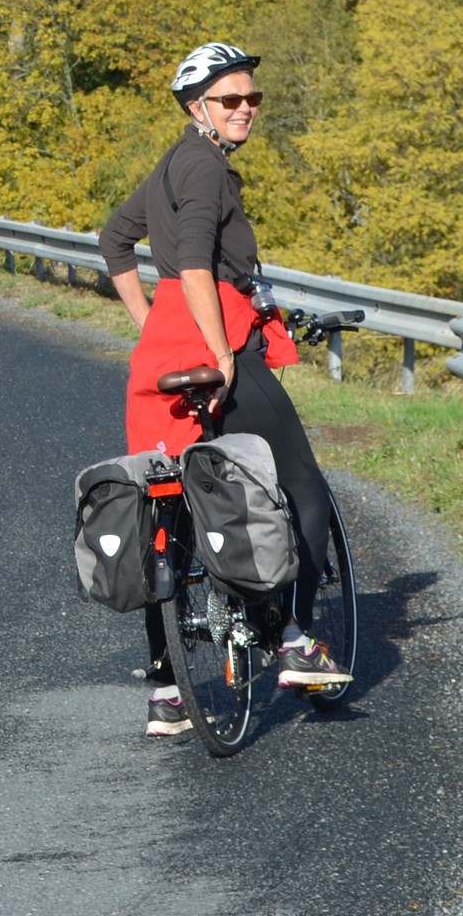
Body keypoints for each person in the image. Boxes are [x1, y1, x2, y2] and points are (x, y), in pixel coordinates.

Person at [99, 41, 351, 737]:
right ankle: (294, 640)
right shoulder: (205, 166)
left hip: (159, 358)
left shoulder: (169, 166)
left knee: (171, 505)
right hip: (222, 341)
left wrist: (153, 326)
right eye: (230, 100)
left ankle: (166, 693)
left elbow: (113, 241)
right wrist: (218, 350)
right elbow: (192, 261)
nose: (245, 110)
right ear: (196, 107)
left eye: (252, 99)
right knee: (300, 485)